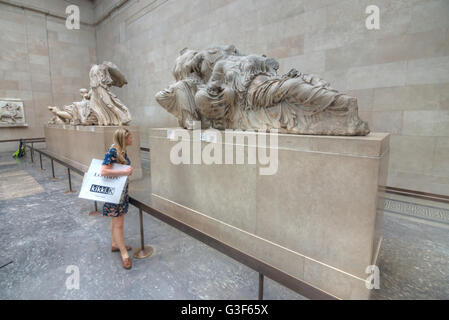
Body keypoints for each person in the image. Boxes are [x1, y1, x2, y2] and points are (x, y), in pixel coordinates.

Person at [100, 128, 134, 269]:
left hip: (120, 193)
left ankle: (115, 244)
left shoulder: (121, 150)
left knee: (116, 222)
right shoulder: (113, 151)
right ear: (123, 139)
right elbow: (103, 171)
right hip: (115, 195)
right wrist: (124, 172)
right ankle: (124, 253)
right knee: (119, 224)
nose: (132, 139)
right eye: (130, 137)